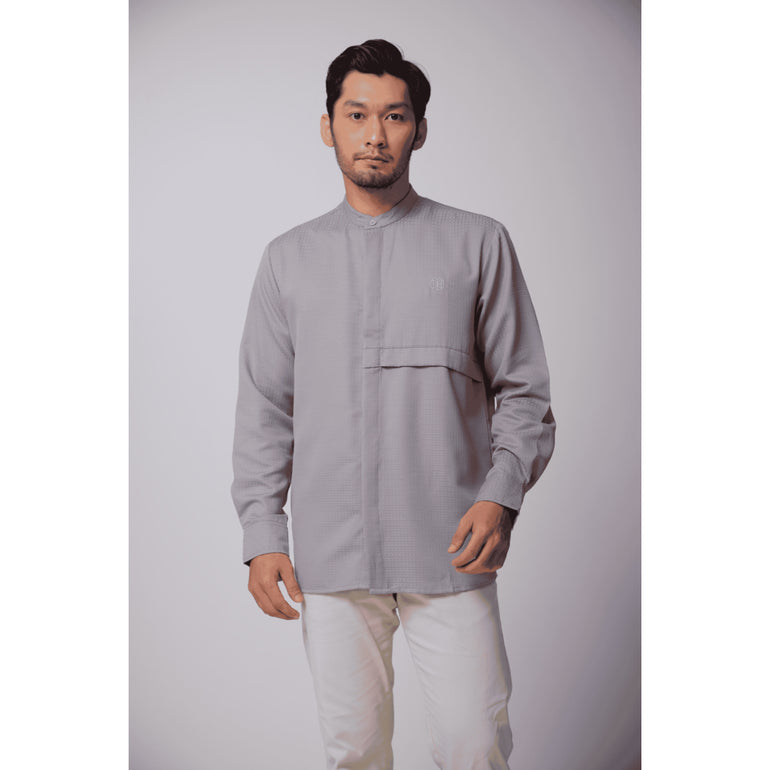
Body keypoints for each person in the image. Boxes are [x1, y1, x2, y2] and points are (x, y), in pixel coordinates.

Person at [230, 38, 556, 770]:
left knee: (474, 745)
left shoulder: (479, 243)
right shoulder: (287, 259)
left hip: (452, 543)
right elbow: (265, 408)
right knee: (354, 753)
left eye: (395, 116)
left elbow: (524, 390)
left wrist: (501, 496)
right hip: (332, 553)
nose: (375, 135)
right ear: (328, 127)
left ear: (420, 129)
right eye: (356, 115)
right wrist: (262, 532)